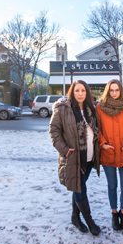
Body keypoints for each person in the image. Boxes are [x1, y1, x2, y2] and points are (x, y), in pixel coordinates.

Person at [49, 80, 101, 236]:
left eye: (83, 91)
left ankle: (75, 217)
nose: (80, 93)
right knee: (80, 189)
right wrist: (65, 150)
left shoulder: (90, 109)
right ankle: (90, 221)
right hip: (73, 157)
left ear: (87, 93)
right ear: (72, 91)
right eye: (77, 90)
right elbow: (54, 131)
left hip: (89, 158)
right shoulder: (63, 108)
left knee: (78, 186)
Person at [96, 79, 123, 231]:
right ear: (107, 91)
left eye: (116, 90)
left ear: (121, 91)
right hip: (108, 153)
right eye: (111, 90)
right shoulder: (100, 107)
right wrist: (103, 143)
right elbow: (97, 128)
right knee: (112, 186)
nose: (114, 93)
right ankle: (113, 214)